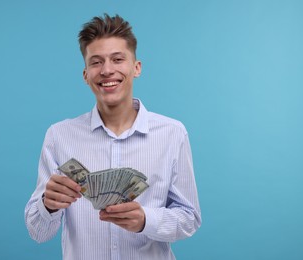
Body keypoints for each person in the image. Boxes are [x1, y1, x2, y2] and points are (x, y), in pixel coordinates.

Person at [25, 14, 201, 260]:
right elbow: (39, 232)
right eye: (96, 62)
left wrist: (146, 220)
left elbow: (189, 219)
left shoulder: (173, 134)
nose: (107, 70)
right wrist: (48, 204)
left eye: (118, 59)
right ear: (86, 75)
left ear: (136, 68)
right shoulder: (58, 136)